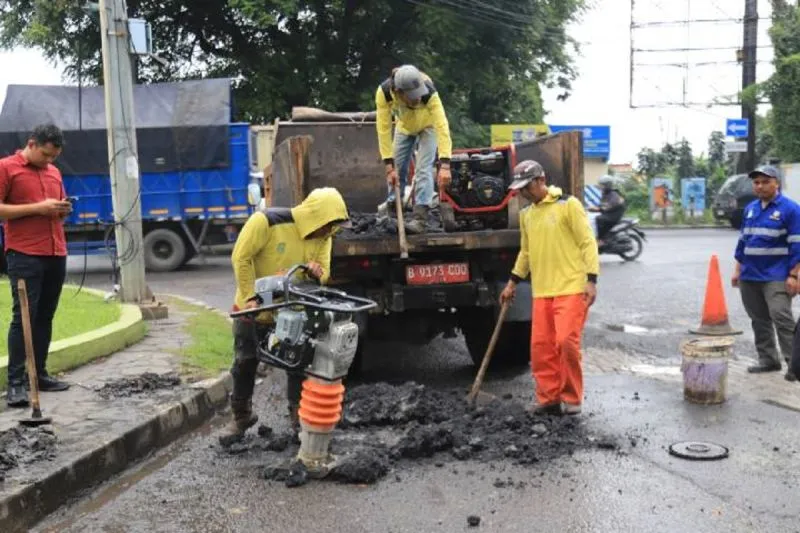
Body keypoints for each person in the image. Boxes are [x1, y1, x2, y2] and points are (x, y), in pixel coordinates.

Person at [220, 187, 353, 445]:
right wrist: (249, 296)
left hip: (292, 311)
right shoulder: (266, 222)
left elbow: (324, 272)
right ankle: (241, 415)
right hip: (255, 308)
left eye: (332, 228)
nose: (328, 232)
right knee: (245, 362)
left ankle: (297, 419)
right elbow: (241, 257)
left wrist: (317, 272)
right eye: (327, 226)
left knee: (298, 364)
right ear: (315, 216)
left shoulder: (324, 236)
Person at [500, 160, 599, 416]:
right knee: (541, 349)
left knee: (566, 342)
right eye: (520, 189)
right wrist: (512, 283)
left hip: (572, 288)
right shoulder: (527, 215)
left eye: (526, 187)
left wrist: (592, 279)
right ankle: (549, 398)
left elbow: (587, 243)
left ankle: (572, 398)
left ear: (540, 181)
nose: (523, 194)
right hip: (542, 291)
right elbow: (526, 252)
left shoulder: (568, 205)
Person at [0, 124, 73, 408]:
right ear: (31, 143)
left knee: (45, 316)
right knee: (24, 319)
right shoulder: (7, 168)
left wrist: (61, 209)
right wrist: (38, 208)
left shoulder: (54, 172)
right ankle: (16, 384)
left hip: (56, 250)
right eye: (45, 154)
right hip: (25, 253)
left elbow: (54, 207)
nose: (49, 161)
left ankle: (39, 374)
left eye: (54, 156)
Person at [732, 164, 800, 381]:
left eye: (765, 182)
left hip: (777, 276)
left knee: (781, 318)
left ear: (776, 183)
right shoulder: (751, 208)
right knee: (758, 319)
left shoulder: (790, 209)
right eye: (756, 182)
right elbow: (743, 242)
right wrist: (737, 270)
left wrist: (795, 275)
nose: (760, 186)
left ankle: (794, 364)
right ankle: (768, 360)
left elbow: (797, 245)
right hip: (750, 274)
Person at [375, 64, 453, 234]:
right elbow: (383, 128)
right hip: (404, 127)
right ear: (399, 92)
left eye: (419, 94)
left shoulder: (429, 93)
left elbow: (442, 125)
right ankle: (393, 209)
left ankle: (420, 218)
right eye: (412, 96)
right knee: (398, 169)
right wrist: (388, 165)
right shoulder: (385, 93)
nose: (418, 98)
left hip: (428, 126)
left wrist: (445, 164)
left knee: (423, 169)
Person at [588, 175, 626, 246]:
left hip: (615, 215)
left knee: (598, 219)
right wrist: (593, 208)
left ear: (608, 185)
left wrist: (598, 209)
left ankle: (601, 239)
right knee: (591, 217)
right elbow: (602, 204)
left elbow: (610, 205)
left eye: (602, 185)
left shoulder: (614, 194)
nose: (601, 187)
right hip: (609, 213)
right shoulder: (605, 194)